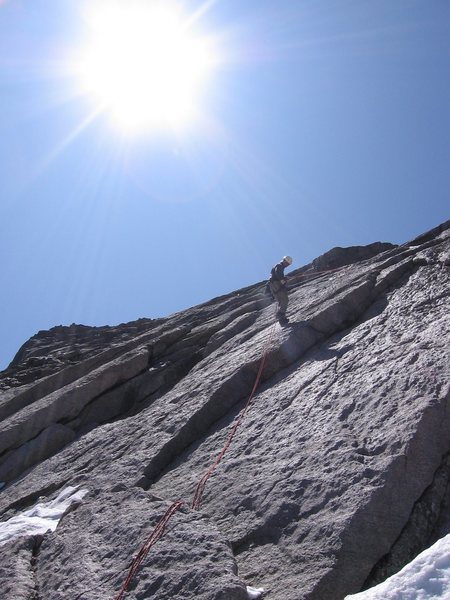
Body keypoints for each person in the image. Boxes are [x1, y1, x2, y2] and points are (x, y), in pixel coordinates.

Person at [269, 255, 293, 323]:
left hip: (273, 285)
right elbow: (278, 274)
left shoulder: (278, 266)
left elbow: (277, 274)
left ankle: (281, 318)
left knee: (280, 301)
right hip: (276, 284)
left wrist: (284, 278)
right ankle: (280, 315)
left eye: (288, 264)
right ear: (284, 261)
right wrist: (283, 281)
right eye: (287, 264)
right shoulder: (279, 266)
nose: (287, 265)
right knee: (284, 299)